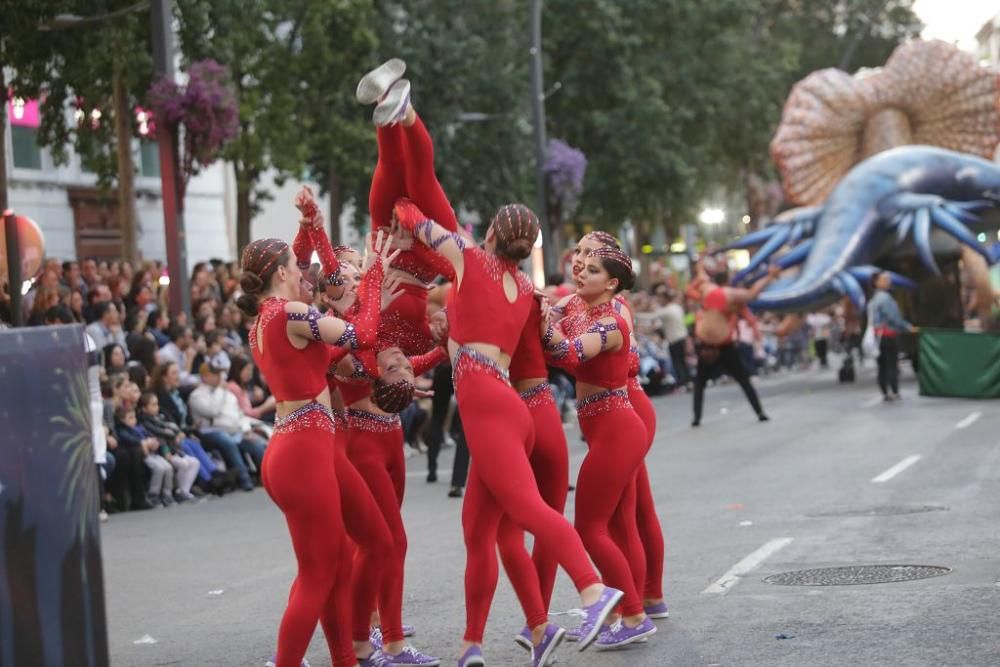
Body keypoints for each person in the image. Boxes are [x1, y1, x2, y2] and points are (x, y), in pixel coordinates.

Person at [395, 198, 624, 667]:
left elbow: (417, 221)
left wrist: (401, 199)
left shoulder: (471, 258)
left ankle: (593, 591)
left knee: (528, 510)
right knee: (478, 533)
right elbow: (472, 336)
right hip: (504, 407)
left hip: (489, 408)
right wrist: (442, 339)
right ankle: (483, 644)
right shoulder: (522, 287)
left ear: (492, 235)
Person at [237, 222, 391, 667]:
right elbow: (361, 335)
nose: (303, 274)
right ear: (282, 273)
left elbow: (330, 357)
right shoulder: (290, 314)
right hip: (302, 451)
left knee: (365, 544)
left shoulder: (267, 322)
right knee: (318, 574)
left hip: (302, 446)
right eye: (295, 266)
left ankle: (349, 654)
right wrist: (376, 274)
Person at [543, 246, 657, 649]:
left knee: (590, 527)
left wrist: (544, 324)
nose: (581, 271)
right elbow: (556, 315)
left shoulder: (611, 321)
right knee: (607, 527)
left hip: (617, 428)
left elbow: (567, 353)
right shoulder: (578, 306)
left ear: (611, 283)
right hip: (604, 428)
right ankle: (622, 614)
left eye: (592, 269)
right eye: (580, 264)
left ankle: (636, 614)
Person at [688, 260, 780, 427]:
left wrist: (700, 266)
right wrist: (770, 276)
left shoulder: (707, 289)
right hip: (719, 344)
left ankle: (697, 418)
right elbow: (752, 294)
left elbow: (697, 279)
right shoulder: (729, 294)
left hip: (710, 343)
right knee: (743, 380)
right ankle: (760, 412)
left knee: (700, 383)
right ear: (728, 280)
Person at [188, 361, 267, 490]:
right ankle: (244, 479)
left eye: (220, 373)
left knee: (256, 443)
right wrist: (221, 390)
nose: (219, 377)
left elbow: (239, 415)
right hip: (212, 432)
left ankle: (264, 477)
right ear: (205, 376)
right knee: (228, 442)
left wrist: (246, 429)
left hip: (235, 430)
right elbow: (213, 411)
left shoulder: (228, 395)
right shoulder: (196, 395)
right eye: (215, 374)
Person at [137, 392, 201, 502]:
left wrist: (177, 433)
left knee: (194, 462)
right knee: (183, 464)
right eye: (152, 405)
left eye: (157, 404)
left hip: (173, 449)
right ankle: (175, 491)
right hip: (162, 452)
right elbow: (160, 434)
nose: (156, 407)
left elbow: (171, 427)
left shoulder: (159, 418)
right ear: (144, 408)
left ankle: (184, 490)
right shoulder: (145, 421)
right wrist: (174, 435)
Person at [114, 406, 175, 507]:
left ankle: (167, 493)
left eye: (134, 417)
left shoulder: (139, 428)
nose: (134, 420)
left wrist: (154, 442)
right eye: (130, 418)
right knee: (159, 469)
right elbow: (128, 439)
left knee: (168, 467)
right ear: (122, 419)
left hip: (153, 453)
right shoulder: (122, 430)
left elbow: (151, 436)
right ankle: (153, 494)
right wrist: (143, 442)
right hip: (143, 455)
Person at [869, 271, 916, 401]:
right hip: (888, 336)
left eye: (888, 279)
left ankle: (885, 392)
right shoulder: (885, 298)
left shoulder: (872, 300)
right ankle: (894, 391)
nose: (888, 282)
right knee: (891, 364)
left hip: (877, 338)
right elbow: (894, 318)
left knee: (881, 365)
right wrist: (907, 326)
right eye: (884, 280)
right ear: (876, 282)